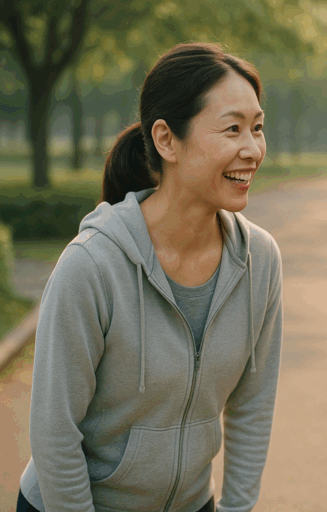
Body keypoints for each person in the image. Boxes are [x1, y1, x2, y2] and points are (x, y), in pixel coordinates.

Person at [17, 43, 282, 512]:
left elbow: (251, 409)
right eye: (232, 129)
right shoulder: (92, 266)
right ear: (166, 139)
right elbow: (56, 434)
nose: (252, 149)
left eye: (257, 128)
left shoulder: (259, 259)